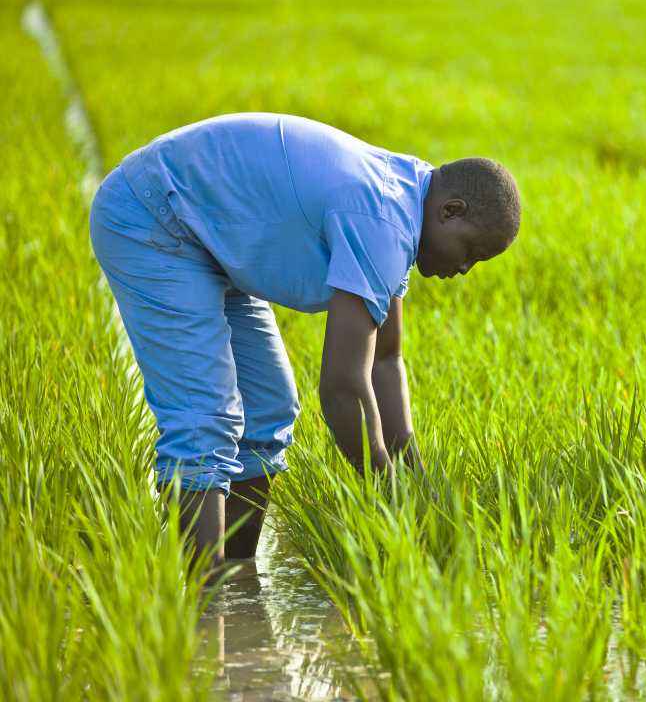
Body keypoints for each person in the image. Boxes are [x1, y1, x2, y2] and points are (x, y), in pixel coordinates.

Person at [89, 113, 521, 568]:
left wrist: (419, 488)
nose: (465, 269)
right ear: (450, 211)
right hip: (155, 219)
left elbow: (385, 361)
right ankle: (205, 605)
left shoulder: (406, 201)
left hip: (212, 241)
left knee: (267, 411)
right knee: (204, 418)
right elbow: (342, 388)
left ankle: (239, 586)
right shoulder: (383, 219)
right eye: (471, 251)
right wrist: (392, 501)